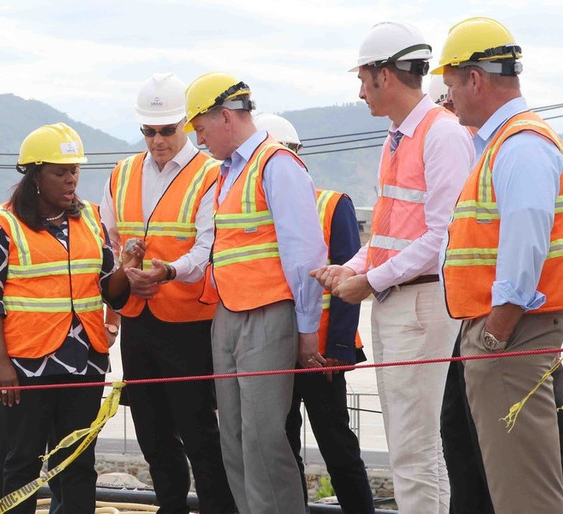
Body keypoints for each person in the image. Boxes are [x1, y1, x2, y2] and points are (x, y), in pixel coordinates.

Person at [312, 21, 473, 513]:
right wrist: (351, 268)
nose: (360, 91)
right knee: (418, 445)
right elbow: (386, 231)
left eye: (363, 79)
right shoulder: (399, 137)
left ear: (386, 75)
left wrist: (368, 280)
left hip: (420, 303)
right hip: (401, 301)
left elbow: (441, 239)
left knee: (412, 448)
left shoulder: (439, 135)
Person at [437, 17, 563, 514]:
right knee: (512, 478)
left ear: (475, 78)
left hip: (510, 334)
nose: (447, 96)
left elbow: (526, 241)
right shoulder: (505, 144)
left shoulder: (519, 145)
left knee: (524, 491)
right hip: (504, 331)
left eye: (450, 83)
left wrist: (497, 328)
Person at [0, 123, 142, 514]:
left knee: (78, 464)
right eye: (60, 172)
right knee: (22, 463)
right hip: (28, 365)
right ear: (34, 176)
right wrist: (2, 365)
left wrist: (126, 269)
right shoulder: (3, 226)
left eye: (75, 171)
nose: (71, 180)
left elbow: (108, 289)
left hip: (84, 361)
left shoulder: (90, 219)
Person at [185, 72, 327, 514]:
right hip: (229, 315)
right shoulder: (226, 174)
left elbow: (305, 256)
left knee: (265, 440)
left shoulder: (276, 164)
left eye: (201, 129)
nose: (200, 139)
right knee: (236, 438)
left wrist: (307, 330)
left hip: (267, 315)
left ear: (225, 116)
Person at [100, 73, 235, 514]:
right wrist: (127, 267)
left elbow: (209, 245)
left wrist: (169, 271)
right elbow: (109, 239)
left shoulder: (213, 174)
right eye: (148, 131)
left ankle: (219, 508)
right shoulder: (122, 174)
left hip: (190, 323)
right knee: (152, 432)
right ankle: (171, 506)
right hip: (140, 322)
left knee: (200, 433)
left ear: (187, 125)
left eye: (166, 130)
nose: (157, 140)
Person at [254, 113, 374, 514]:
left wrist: (339, 348)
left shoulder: (332, 204)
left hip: (322, 351)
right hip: (274, 350)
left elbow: (347, 278)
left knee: (336, 444)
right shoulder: (251, 211)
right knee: (282, 448)